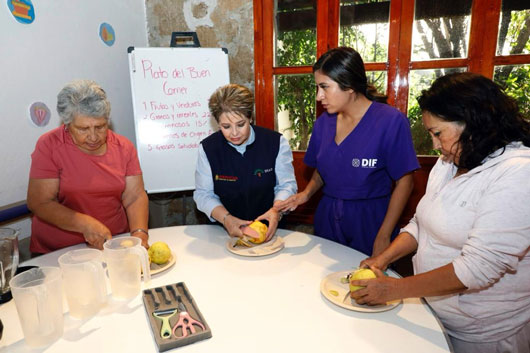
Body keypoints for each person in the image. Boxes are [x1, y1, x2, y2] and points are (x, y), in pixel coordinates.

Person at [351, 72, 530, 353]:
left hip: (484, 331)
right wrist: (383, 258)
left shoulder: (519, 174)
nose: (435, 146)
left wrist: (393, 290)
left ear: (472, 124)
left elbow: (478, 267)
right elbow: (421, 224)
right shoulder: (450, 162)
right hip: (434, 311)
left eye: (437, 133)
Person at [276, 47, 419, 256]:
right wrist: (305, 194)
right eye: (317, 87)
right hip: (328, 215)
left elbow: (405, 181)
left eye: (324, 87)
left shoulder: (390, 121)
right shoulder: (323, 123)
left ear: (349, 84)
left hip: (371, 218)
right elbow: (325, 169)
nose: (318, 96)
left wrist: (384, 235)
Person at [27, 80, 149, 254]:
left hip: (114, 244)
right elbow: (40, 202)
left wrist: (139, 234)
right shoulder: (49, 146)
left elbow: (134, 196)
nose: (93, 137)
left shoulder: (123, 147)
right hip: (58, 252)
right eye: (83, 129)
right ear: (67, 125)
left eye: (100, 127)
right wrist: (84, 224)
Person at [193, 83, 297, 240]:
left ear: (250, 117)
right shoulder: (208, 148)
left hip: (270, 230)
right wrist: (226, 219)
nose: (234, 133)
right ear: (217, 123)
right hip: (224, 231)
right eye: (226, 126)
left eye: (241, 124)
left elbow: (286, 185)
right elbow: (203, 194)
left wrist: (277, 210)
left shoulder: (275, 143)